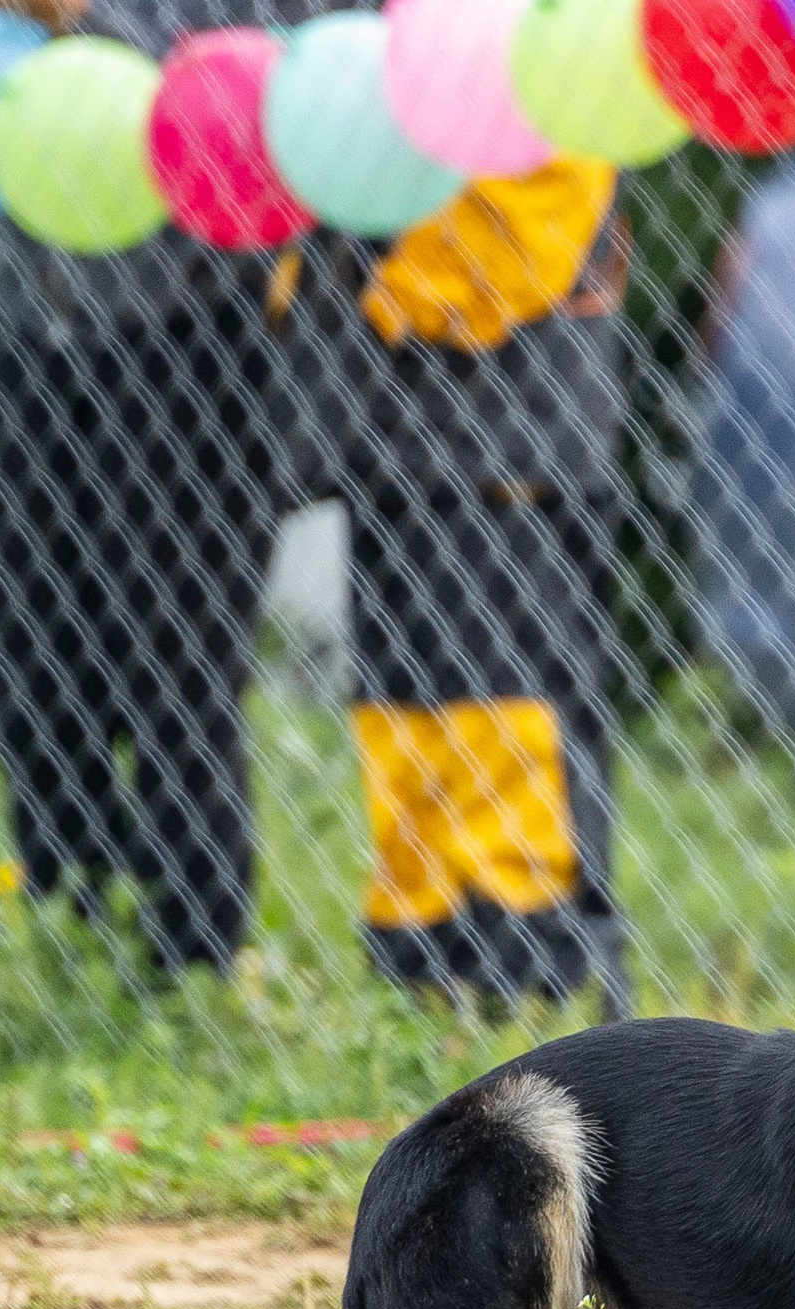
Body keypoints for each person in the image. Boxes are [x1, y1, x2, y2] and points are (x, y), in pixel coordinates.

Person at [0, 0, 317, 972]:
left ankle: (192, 956)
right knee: (28, 644)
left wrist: (91, 21)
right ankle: (65, 924)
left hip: (188, 327)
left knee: (178, 660)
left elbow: (272, 73)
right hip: (22, 318)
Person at [278, 160, 634, 1011]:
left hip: (510, 427)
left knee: (507, 711)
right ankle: (423, 967)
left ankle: (534, 975)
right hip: (394, 426)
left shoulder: (543, 78)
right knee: (405, 711)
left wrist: (384, 284)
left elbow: (528, 232)